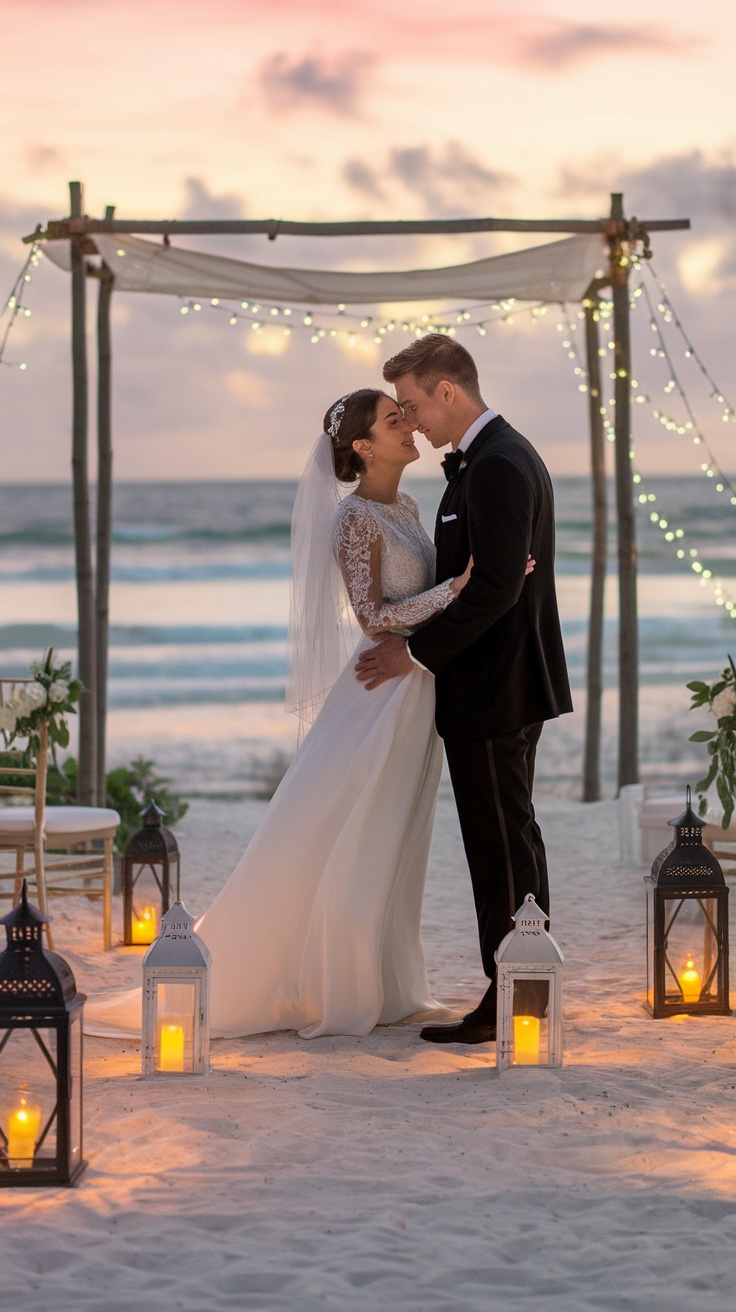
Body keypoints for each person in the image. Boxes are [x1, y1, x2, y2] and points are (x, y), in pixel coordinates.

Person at [85, 389, 493, 1041]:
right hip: (376, 695)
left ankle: (386, 983)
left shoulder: (410, 505)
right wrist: (458, 588)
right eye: (395, 421)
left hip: (414, 686)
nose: (409, 425)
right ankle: (334, 982)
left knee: (394, 837)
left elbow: (412, 606)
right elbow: (373, 618)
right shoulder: (354, 520)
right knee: (347, 830)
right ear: (363, 446)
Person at [355, 335, 572, 1045]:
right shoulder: (488, 460)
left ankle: (511, 996)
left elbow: (498, 589)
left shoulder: (498, 466)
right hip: (500, 682)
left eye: (414, 404)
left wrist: (414, 654)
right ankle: (525, 985)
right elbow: (489, 580)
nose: (412, 420)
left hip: (494, 685)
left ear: (447, 391)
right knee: (513, 837)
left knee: (500, 843)